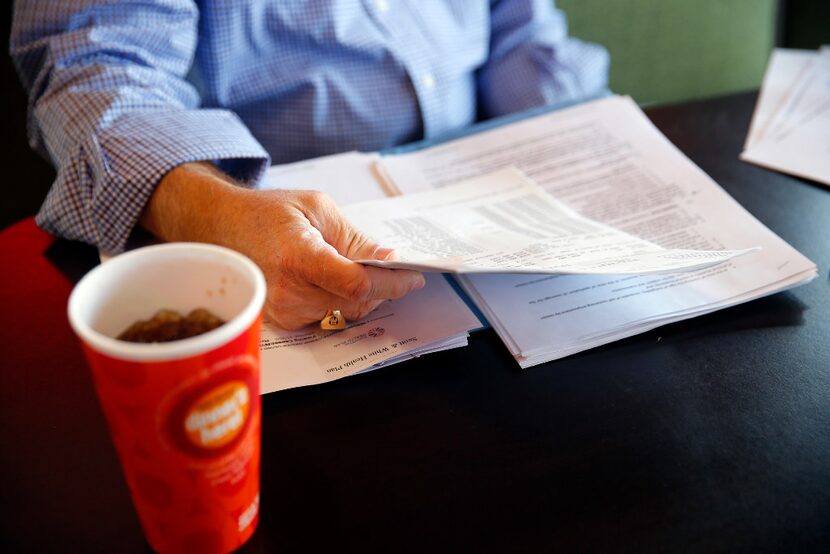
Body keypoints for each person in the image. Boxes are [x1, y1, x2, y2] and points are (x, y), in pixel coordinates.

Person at [10, 1, 609, 329]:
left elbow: (517, 30)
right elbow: (92, 66)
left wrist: (572, 136)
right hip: (290, 261)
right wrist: (220, 216)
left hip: (498, 234)